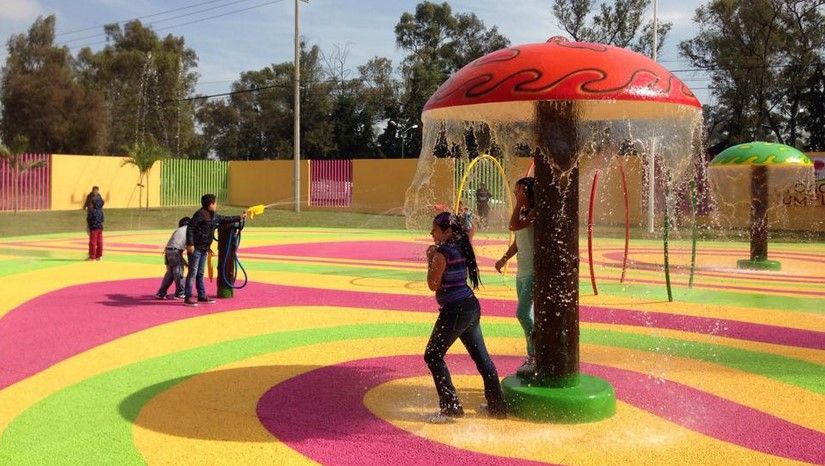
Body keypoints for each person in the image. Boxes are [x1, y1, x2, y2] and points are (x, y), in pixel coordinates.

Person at [424, 211, 507, 423]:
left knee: (433, 355)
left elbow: (433, 284)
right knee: (482, 359)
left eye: (435, 229)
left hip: (456, 310)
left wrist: (430, 259)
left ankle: (451, 406)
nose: (431, 232)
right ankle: (497, 406)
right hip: (470, 306)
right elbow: (470, 230)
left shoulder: (442, 253)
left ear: (448, 231)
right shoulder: (462, 244)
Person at [495, 177, 537, 375]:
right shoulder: (522, 212)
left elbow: (513, 226)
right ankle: (532, 355)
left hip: (533, 273)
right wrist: (504, 259)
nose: (514, 193)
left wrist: (519, 203)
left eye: (518, 191)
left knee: (522, 314)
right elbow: (517, 240)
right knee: (528, 315)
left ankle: (536, 354)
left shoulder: (535, 213)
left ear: (528, 192)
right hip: (521, 272)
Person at [184, 194, 246, 306]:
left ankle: (201, 295)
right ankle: (188, 297)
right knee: (193, 272)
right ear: (210, 204)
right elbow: (190, 228)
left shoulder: (213, 216)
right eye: (215, 203)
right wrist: (190, 244)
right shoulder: (199, 214)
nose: (216, 205)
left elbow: (224, 219)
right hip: (196, 248)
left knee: (200, 273)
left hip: (204, 249)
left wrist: (239, 217)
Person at [155, 217, 190, 300]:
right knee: (179, 273)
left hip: (168, 251)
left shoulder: (178, 230)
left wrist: (182, 260)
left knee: (170, 274)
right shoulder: (188, 229)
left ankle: (161, 293)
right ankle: (180, 293)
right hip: (175, 252)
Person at [85, 187, 104, 261]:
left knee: (93, 242)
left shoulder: (92, 211)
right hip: (100, 228)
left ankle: (92, 256)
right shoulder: (101, 211)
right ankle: (99, 256)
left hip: (93, 228)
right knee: (100, 242)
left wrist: (89, 227)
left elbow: (89, 219)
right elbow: (102, 219)